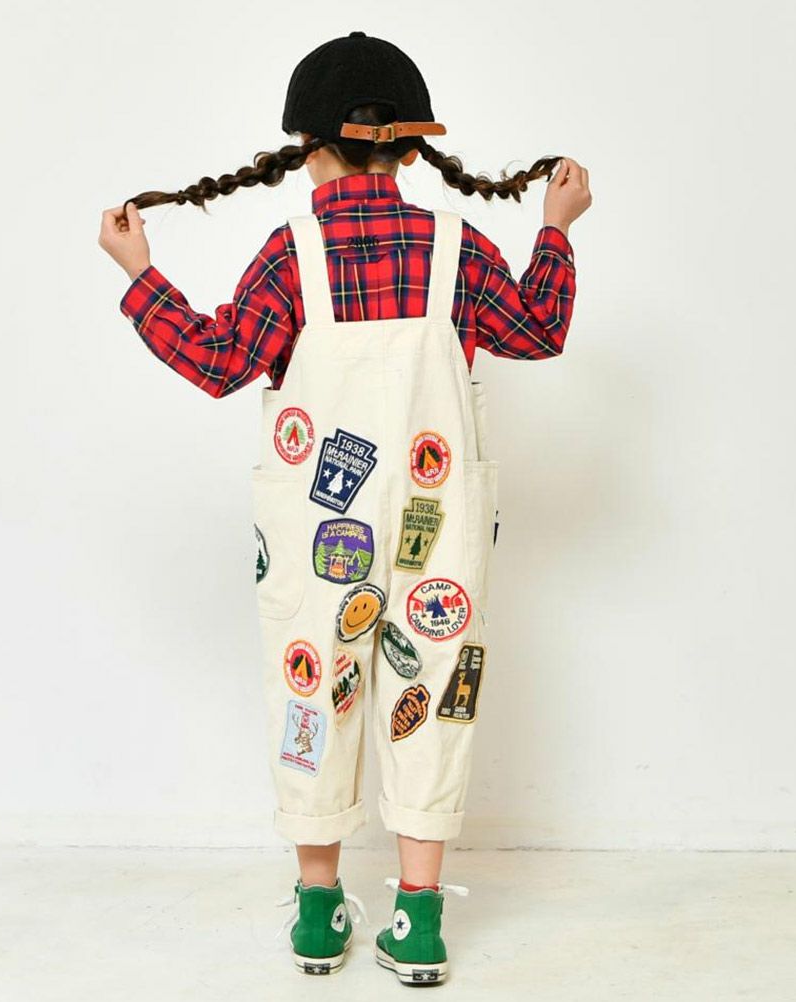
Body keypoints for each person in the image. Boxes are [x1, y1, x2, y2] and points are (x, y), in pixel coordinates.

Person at [99, 30, 591, 986]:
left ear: (306, 147)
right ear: (410, 146)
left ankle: (321, 911)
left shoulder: (291, 251)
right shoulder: (459, 244)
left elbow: (217, 362)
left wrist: (138, 272)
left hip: (319, 527)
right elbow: (539, 329)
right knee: (432, 689)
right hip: (438, 513)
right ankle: (418, 919)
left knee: (311, 686)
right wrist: (557, 227)